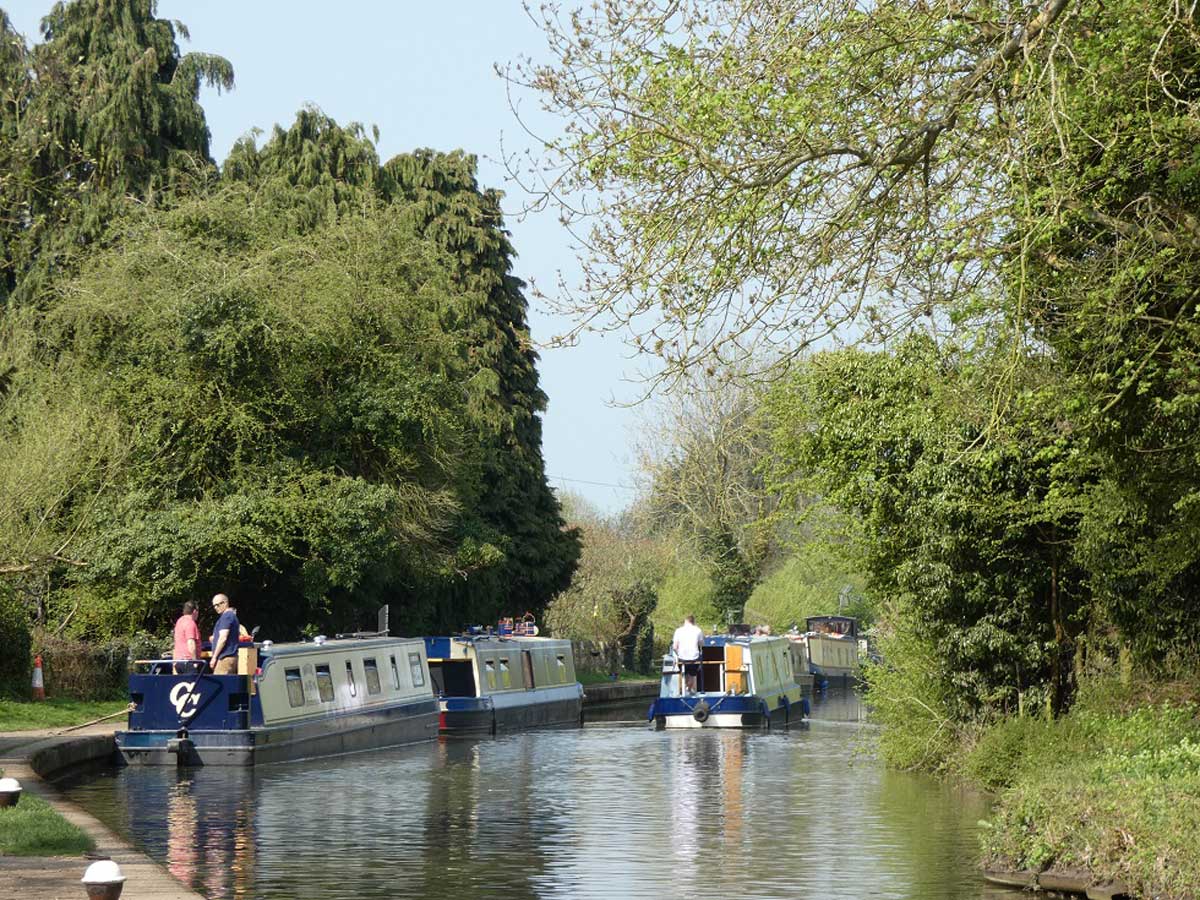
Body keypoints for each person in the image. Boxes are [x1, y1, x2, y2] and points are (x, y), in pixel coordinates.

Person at [208, 593, 241, 675]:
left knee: (219, 685)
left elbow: (223, 638)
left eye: (217, 605)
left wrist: (214, 657)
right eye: (214, 606)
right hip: (229, 658)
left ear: (225, 603)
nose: (215, 608)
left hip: (225, 658)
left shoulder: (227, 617)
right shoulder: (230, 616)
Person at [672, 614, 704, 694]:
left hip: (682, 657)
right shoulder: (698, 630)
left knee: (685, 672)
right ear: (693, 622)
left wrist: (678, 654)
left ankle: (686, 688)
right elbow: (701, 644)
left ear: (685, 621)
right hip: (694, 657)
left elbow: (675, 647)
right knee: (693, 674)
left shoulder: (678, 630)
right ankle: (689, 688)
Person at [172, 601, 202, 674]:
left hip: (178, 661)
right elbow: (191, 643)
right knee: (194, 684)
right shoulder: (190, 623)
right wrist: (195, 661)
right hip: (188, 661)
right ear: (194, 611)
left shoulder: (179, 621)